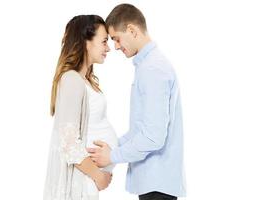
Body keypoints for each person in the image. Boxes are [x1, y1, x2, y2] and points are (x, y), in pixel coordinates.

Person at [88, 4, 186, 200]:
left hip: (158, 185)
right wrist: (112, 148)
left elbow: (153, 137)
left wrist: (112, 156)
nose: (115, 46)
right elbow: (140, 130)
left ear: (132, 30)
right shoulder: (147, 67)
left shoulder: (153, 69)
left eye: (116, 39)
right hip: (154, 184)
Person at [43, 15, 118, 200]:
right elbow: (68, 143)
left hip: (86, 182)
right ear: (86, 42)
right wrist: (99, 176)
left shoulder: (85, 81)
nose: (108, 48)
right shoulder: (72, 80)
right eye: (103, 41)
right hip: (80, 182)